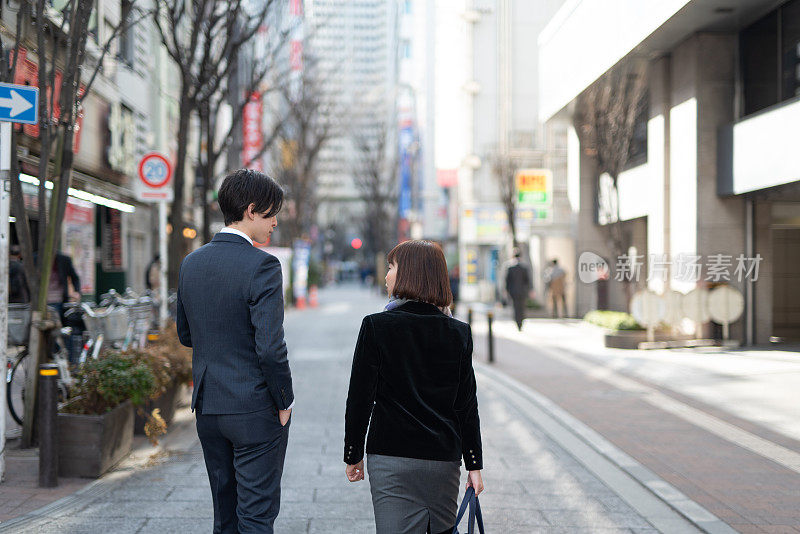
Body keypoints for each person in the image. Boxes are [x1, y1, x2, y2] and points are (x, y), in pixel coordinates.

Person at [176, 169, 294, 534]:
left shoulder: (191, 262)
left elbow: (185, 334)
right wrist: (284, 401)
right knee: (256, 514)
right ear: (252, 209)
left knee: (225, 514)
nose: (275, 222)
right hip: (254, 407)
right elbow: (271, 348)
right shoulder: (263, 265)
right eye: (271, 213)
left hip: (209, 407)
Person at [344, 240, 484, 534]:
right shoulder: (458, 333)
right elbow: (466, 405)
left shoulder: (376, 326)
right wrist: (474, 464)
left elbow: (360, 398)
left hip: (391, 456)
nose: (386, 275)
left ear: (410, 273)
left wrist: (353, 453)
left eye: (392, 267)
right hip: (443, 460)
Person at [505, 248, 531, 331]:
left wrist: (506, 290)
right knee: (522, 307)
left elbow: (507, 281)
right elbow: (528, 280)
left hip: (513, 291)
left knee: (516, 307)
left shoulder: (510, 267)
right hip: (522, 291)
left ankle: (518, 323)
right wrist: (530, 290)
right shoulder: (524, 267)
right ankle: (521, 323)